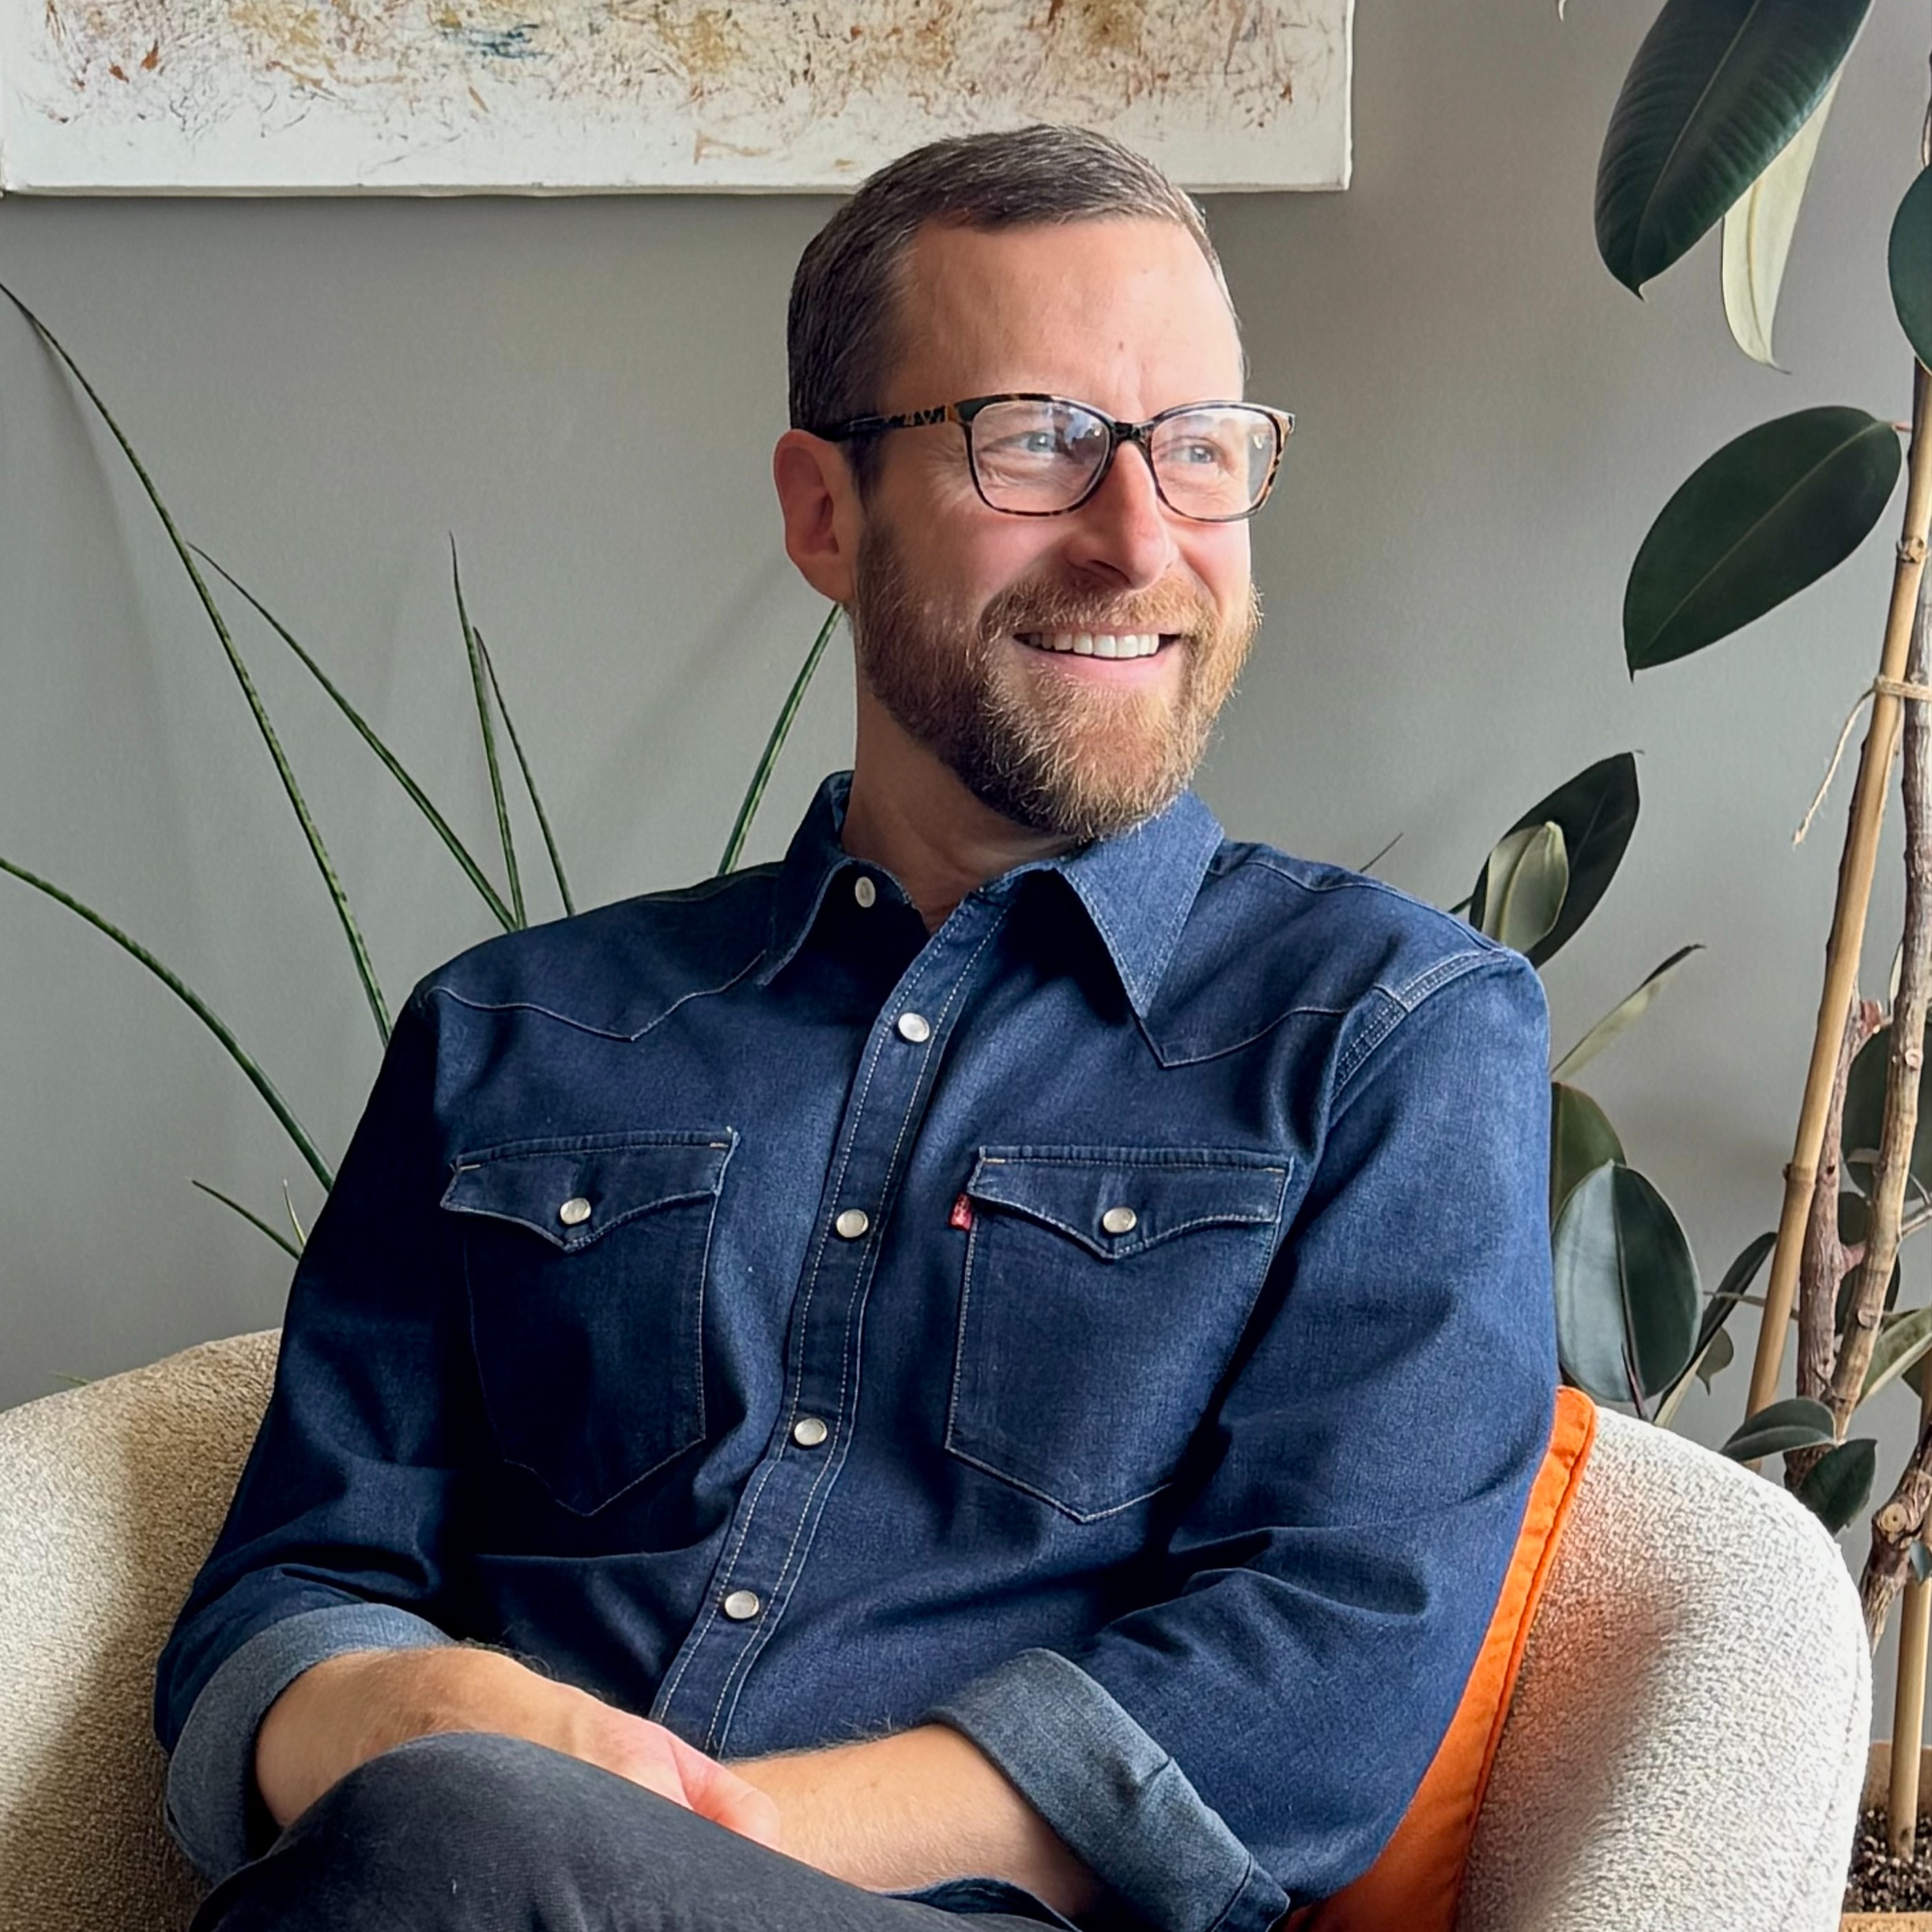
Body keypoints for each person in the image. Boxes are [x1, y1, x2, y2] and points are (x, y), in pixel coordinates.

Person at [156, 124, 1556, 1932]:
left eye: (1202, 451)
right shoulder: (513, 1029)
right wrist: (402, 1707)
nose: (1140, 538)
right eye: (1039, 439)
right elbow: (292, 1590)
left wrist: (622, 1829)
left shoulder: (1394, 1033)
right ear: (827, 512)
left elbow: (1316, 1692)